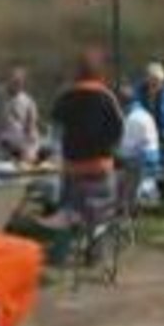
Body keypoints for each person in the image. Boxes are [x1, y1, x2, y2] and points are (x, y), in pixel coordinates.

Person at [51, 49, 125, 224]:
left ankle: (67, 240)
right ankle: (96, 241)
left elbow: (55, 126)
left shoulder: (66, 97)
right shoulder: (107, 98)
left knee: (69, 216)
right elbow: (119, 129)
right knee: (99, 217)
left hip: (73, 167)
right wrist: (109, 147)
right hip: (100, 166)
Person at [134, 62, 164, 203]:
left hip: (162, 133)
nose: (155, 84)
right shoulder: (139, 93)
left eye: (158, 81)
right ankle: (141, 195)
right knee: (144, 163)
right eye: (153, 80)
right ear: (147, 79)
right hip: (145, 133)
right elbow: (135, 109)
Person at [0, 66, 41, 162]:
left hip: (20, 148)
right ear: (7, 79)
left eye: (20, 81)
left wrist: (32, 149)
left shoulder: (28, 102)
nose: (17, 84)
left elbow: (32, 130)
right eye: (14, 81)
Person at [118, 82, 162, 203]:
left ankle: (126, 200)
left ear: (122, 103)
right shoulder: (144, 114)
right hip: (154, 157)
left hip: (142, 160)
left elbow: (126, 150)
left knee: (117, 168)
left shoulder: (132, 119)